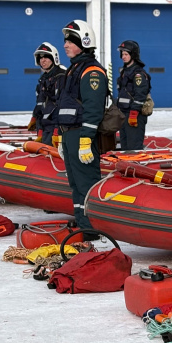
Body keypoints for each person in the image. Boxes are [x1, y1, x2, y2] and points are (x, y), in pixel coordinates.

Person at [57, 20, 107, 241]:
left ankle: (92, 229)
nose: (65, 45)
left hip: (81, 135)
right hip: (70, 134)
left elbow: (93, 109)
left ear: (83, 43)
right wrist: (61, 137)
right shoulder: (73, 69)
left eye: (70, 41)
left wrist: (86, 139)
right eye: (66, 40)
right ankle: (83, 224)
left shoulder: (92, 72)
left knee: (86, 182)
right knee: (75, 183)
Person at [116, 40, 151, 151]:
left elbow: (140, 95)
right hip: (123, 115)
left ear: (133, 55)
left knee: (134, 149)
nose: (123, 56)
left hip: (134, 116)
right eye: (122, 54)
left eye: (126, 54)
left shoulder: (138, 75)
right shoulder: (124, 72)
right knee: (124, 147)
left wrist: (134, 113)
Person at [29, 42, 66, 145]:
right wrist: (38, 126)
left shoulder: (62, 77)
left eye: (46, 57)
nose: (43, 60)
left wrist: (56, 131)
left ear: (54, 58)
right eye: (40, 58)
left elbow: (62, 107)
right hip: (46, 128)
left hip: (58, 129)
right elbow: (40, 106)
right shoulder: (43, 80)